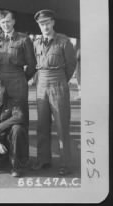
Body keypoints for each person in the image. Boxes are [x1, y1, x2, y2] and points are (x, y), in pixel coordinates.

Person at [32, 9, 77, 176]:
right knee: (42, 125)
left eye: (47, 23)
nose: (45, 26)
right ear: (39, 25)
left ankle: (65, 163)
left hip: (58, 83)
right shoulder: (36, 43)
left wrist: (60, 81)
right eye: (41, 24)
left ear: (53, 23)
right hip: (41, 84)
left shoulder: (64, 41)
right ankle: (43, 160)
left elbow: (71, 65)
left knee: (61, 124)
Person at [0, 9, 36, 165]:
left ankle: (21, 159)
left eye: (8, 21)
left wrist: (22, 79)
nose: (6, 25)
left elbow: (32, 65)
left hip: (18, 82)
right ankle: (3, 157)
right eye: (3, 22)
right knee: (2, 118)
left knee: (20, 121)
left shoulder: (24, 40)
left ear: (14, 22)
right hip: (1, 83)